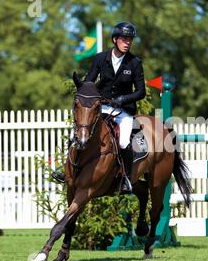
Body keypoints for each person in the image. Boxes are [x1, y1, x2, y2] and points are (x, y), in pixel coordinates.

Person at [53, 21, 146, 194]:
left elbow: (141, 92)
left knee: (124, 141)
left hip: (123, 111)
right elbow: (89, 82)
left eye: (130, 39)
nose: (128, 42)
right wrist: (86, 91)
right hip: (101, 108)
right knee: (79, 134)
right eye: (124, 39)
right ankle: (66, 169)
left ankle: (125, 178)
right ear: (115, 39)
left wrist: (123, 99)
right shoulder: (100, 59)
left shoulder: (134, 63)